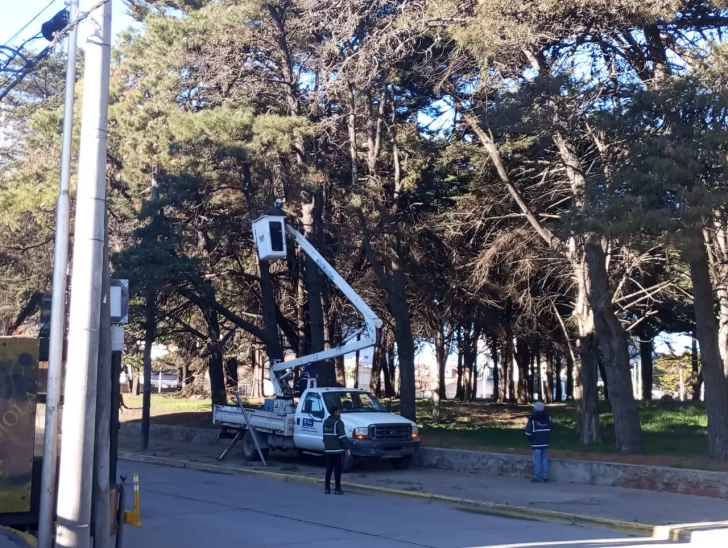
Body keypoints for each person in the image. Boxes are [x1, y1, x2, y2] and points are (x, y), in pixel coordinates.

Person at [525, 401, 553, 483]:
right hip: (546, 443)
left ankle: (537, 476)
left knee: (537, 460)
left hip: (536, 444)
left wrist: (530, 439)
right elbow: (551, 428)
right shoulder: (548, 418)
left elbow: (528, 433)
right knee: (544, 460)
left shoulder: (532, 420)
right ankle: (546, 476)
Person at [323, 405, 348, 494]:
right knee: (338, 469)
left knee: (329, 468)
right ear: (335, 412)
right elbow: (342, 437)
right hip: (338, 450)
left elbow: (324, 437)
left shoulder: (326, 422)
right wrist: (346, 447)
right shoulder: (338, 423)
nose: (340, 413)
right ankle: (337, 489)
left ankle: (327, 488)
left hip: (328, 449)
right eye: (339, 411)